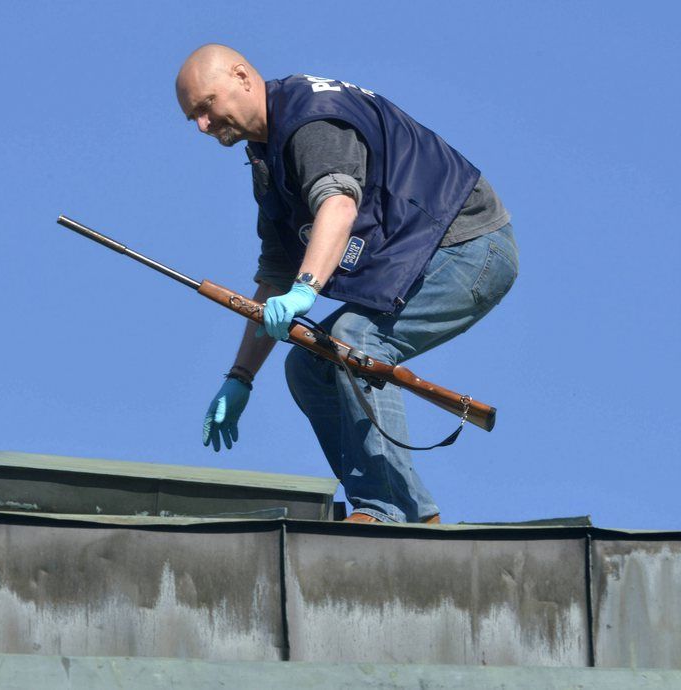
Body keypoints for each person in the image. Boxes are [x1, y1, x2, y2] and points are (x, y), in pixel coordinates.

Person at [176, 44, 518, 524]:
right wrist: (241, 377)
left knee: (352, 340)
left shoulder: (309, 123)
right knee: (309, 367)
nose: (203, 126)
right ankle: (391, 508)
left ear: (241, 76)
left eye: (206, 106)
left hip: (470, 248)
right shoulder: (267, 161)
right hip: (424, 258)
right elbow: (275, 276)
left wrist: (306, 289)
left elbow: (337, 206)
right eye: (193, 117)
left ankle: (396, 512)